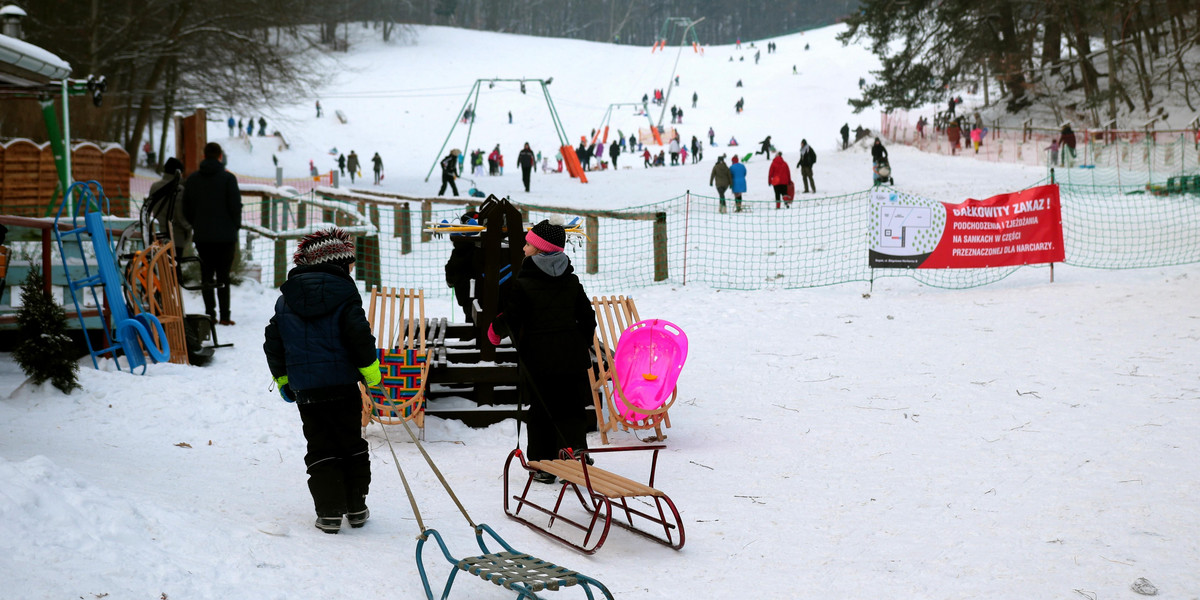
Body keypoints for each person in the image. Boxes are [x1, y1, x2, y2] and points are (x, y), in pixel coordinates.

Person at [263, 227, 379, 535]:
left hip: (308, 390)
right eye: (349, 264)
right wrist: (371, 372)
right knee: (351, 442)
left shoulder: (286, 300)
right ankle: (355, 506)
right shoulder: (346, 294)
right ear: (339, 264)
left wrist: (284, 379)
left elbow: (273, 341)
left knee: (320, 445)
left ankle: (328, 511)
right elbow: (359, 336)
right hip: (342, 385)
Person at [487, 218, 597, 478]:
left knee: (541, 410)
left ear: (538, 250)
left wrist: (494, 331)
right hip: (571, 358)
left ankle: (542, 464)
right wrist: (579, 342)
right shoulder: (571, 281)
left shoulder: (524, 282)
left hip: (540, 360)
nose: (523, 248)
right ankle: (575, 451)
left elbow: (512, 317)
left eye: (527, 244)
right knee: (571, 405)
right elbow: (588, 317)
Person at [182, 142, 241, 326]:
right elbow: (235, 207)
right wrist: (234, 226)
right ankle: (225, 315)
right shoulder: (228, 179)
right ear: (220, 156)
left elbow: (186, 208)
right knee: (223, 276)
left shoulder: (192, 180)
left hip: (203, 237)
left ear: (204, 155)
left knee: (206, 275)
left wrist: (197, 224)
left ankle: (210, 314)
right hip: (226, 237)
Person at [147, 157, 192, 265]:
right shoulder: (179, 189)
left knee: (160, 267)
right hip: (175, 235)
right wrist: (189, 227)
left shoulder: (155, 186)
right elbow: (179, 215)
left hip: (157, 234)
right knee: (173, 269)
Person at [444, 210, 480, 323]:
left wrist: (450, 281)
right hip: (473, 291)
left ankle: (470, 334)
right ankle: (470, 335)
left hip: (463, 291)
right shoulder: (476, 249)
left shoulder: (457, 250)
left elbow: (449, 268)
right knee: (472, 315)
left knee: (469, 314)